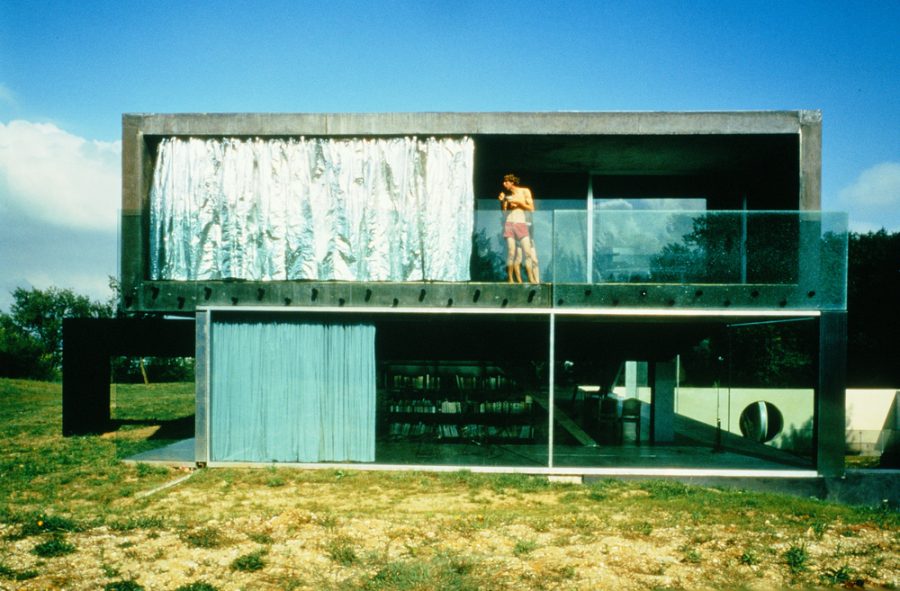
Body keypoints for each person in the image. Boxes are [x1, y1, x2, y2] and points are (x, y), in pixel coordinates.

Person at [498, 174, 540, 283]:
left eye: (506, 182)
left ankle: (531, 278)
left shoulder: (524, 191)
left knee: (528, 253)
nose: (504, 184)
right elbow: (504, 213)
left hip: (521, 223)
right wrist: (502, 202)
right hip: (509, 223)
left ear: (512, 182)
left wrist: (519, 203)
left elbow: (532, 208)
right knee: (511, 253)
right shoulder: (507, 196)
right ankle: (510, 279)